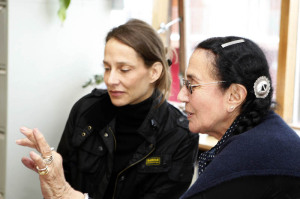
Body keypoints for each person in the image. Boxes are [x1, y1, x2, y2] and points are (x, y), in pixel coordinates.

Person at [16, 19, 199, 199]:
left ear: (154, 72)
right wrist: (52, 177)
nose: (110, 80)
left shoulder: (180, 134)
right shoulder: (86, 110)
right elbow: (62, 186)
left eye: (124, 69)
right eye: (106, 68)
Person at [178, 36, 300, 199]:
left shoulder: (243, 166)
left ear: (234, 96)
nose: (181, 96)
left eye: (191, 85)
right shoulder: (267, 132)